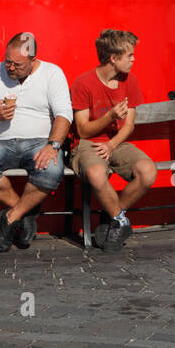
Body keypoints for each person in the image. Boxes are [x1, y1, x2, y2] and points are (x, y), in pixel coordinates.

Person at [0, 32, 73, 252]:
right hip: (2, 142)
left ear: (33, 60)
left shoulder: (52, 73)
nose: (11, 68)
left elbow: (64, 114)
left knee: (52, 169)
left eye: (17, 64)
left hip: (39, 142)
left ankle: (11, 217)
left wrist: (53, 145)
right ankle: (24, 214)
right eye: (7, 62)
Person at [70, 29, 158, 252]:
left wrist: (111, 144)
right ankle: (120, 221)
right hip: (87, 144)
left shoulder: (129, 81)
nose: (133, 59)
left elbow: (128, 125)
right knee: (96, 173)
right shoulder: (83, 84)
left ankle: (113, 216)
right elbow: (82, 130)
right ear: (113, 58)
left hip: (115, 141)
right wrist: (108, 117)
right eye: (129, 55)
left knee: (148, 171)